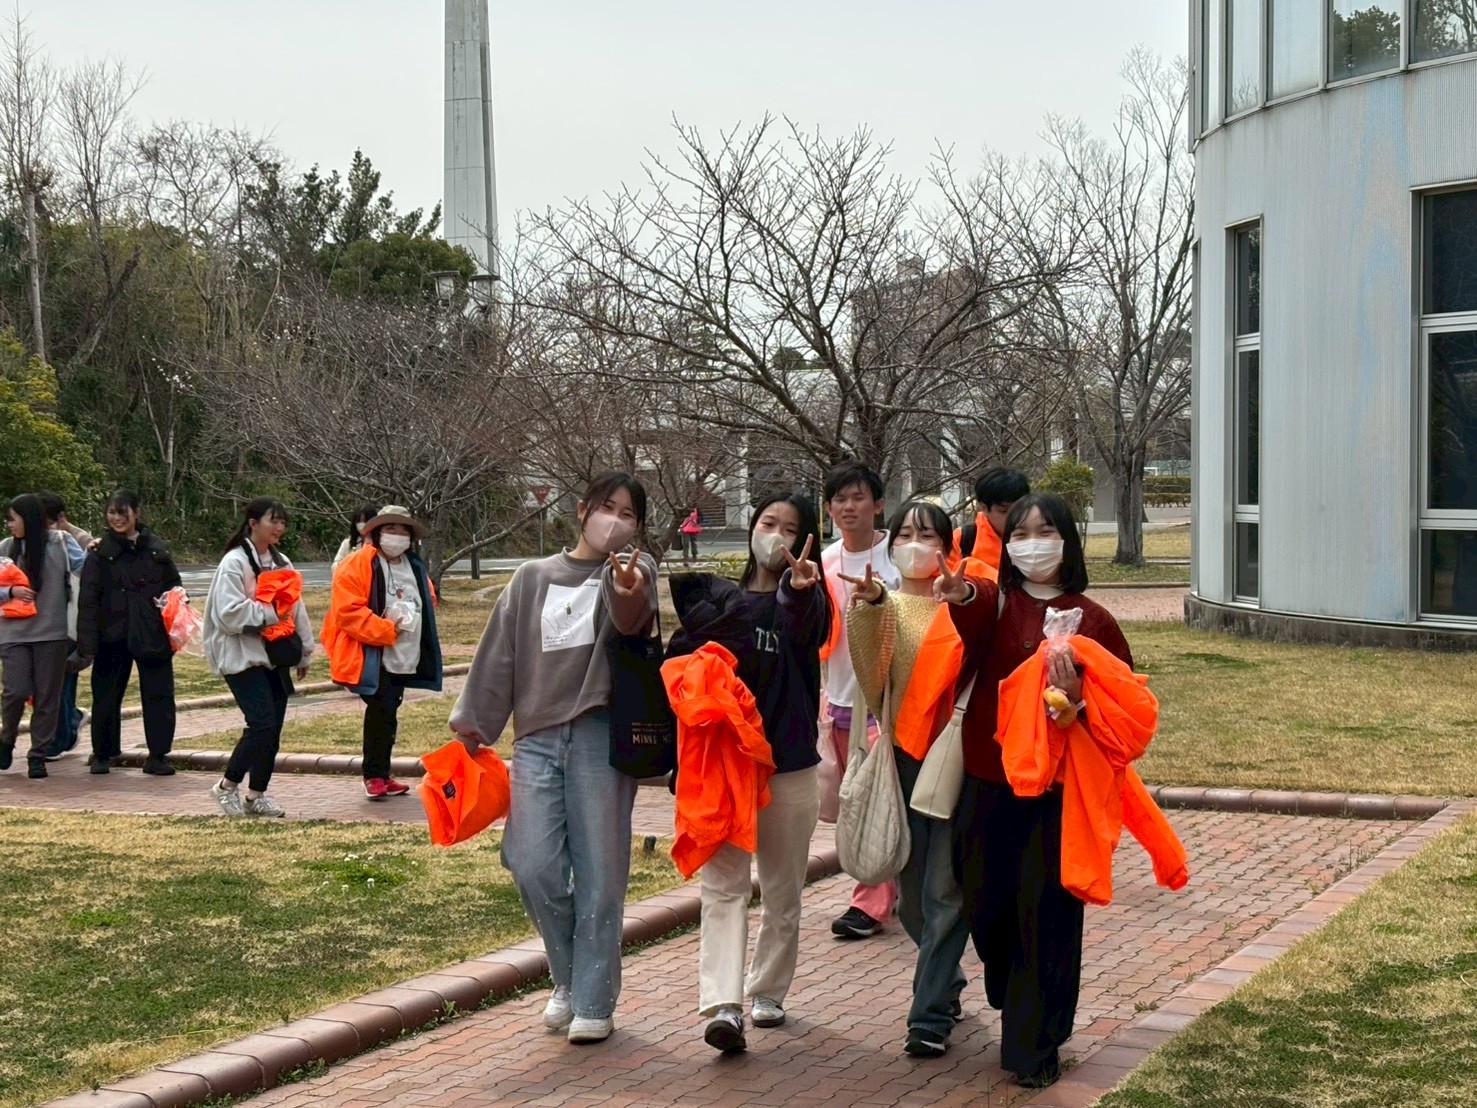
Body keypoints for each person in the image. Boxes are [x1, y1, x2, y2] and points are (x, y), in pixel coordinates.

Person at [450, 472, 658, 1045]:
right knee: (530, 860)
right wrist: (472, 729)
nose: (615, 519)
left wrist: (626, 584)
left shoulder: (636, 572)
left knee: (601, 871)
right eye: (607, 507)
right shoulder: (532, 577)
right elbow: (498, 658)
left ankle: (592, 998)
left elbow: (633, 620)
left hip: (600, 737)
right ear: (582, 509)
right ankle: (568, 975)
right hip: (536, 736)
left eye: (629, 513)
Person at [935, 492, 1132, 1090]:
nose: (1031, 542)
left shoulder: (1092, 618)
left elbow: (1120, 709)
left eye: (1045, 530)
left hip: (1055, 791)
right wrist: (960, 591)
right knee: (984, 901)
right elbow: (969, 608)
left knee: (1045, 914)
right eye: (1020, 533)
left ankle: (1035, 1041)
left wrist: (1075, 705)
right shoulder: (998, 603)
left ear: (1068, 541)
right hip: (987, 781)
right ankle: (1012, 988)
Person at [696, 492, 830, 1054]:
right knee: (723, 887)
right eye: (767, 522)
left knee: (781, 891)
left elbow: (809, 629)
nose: (775, 534)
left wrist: (800, 588)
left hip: (790, 767)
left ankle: (767, 990)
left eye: (790, 528)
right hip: (728, 768)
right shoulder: (718, 603)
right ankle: (723, 1003)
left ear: (804, 543)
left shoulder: (807, 598)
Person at [843, 500, 971, 1058]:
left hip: (959, 763)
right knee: (914, 901)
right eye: (906, 533)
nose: (916, 543)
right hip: (903, 761)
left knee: (945, 892)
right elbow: (872, 675)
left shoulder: (967, 605)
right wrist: (871, 604)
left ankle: (928, 1015)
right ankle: (947, 978)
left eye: (928, 533)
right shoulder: (885, 603)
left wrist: (963, 599)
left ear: (948, 544)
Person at [818, 460, 901, 940]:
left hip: (886, 702)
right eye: (840, 500)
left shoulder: (897, 558)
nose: (849, 507)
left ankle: (868, 903)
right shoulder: (825, 562)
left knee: (874, 799)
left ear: (878, 503)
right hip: (840, 700)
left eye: (858, 498)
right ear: (829, 508)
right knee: (851, 803)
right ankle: (885, 883)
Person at [202, 498, 315, 818]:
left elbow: (297, 608)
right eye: (273, 520)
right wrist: (271, 613)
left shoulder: (283, 563)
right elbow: (228, 614)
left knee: (273, 728)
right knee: (261, 722)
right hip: (240, 655)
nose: (279, 527)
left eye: (283, 522)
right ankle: (226, 787)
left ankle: (256, 796)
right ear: (253, 523)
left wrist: (305, 651)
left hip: (275, 654)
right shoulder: (234, 563)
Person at [322, 504, 442, 799]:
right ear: (376, 532)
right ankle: (374, 774)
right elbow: (347, 612)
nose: (397, 535)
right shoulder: (356, 564)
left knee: (389, 711)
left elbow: (428, 600)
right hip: (373, 655)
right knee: (380, 710)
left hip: (406, 653)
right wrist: (387, 629)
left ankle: (382, 772)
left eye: (403, 530)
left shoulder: (414, 566)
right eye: (391, 528)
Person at [76, 490, 182, 777]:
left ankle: (158, 755)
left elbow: (175, 590)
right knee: (106, 696)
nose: (117, 518)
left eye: (123, 512)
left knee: (159, 696)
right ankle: (103, 753)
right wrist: (87, 642)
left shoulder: (157, 550)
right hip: (112, 634)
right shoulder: (99, 553)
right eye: (111, 512)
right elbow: (88, 599)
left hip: (152, 632)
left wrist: (175, 628)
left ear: (137, 513)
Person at [0, 494, 74, 778]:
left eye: (12, 518)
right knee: (15, 690)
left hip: (51, 632)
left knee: (47, 696)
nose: (8, 524)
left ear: (28, 519)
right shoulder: (5, 549)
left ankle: (37, 754)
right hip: (13, 632)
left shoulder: (60, 544)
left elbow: (83, 567)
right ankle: (7, 738)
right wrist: (10, 592)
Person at [36, 491, 91, 760]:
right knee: (48, 685)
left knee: (61, 683)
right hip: (40, 625)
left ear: (59, 519)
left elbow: (87, 569)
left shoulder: (74, 541)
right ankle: (71, 721)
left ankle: (60, 738)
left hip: (67, 624)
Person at [951, 467, 1030, 581]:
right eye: (1004, 511)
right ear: (983, 507)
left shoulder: (1039, 538)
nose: (1014, 517)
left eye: (1020, 509)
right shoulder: (963, 539)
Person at [333, 505, 380, 572]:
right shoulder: (347, 543)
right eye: (358, 521)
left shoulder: (381, 543)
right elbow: (335, 567)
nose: (361, 524)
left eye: (365, 521)